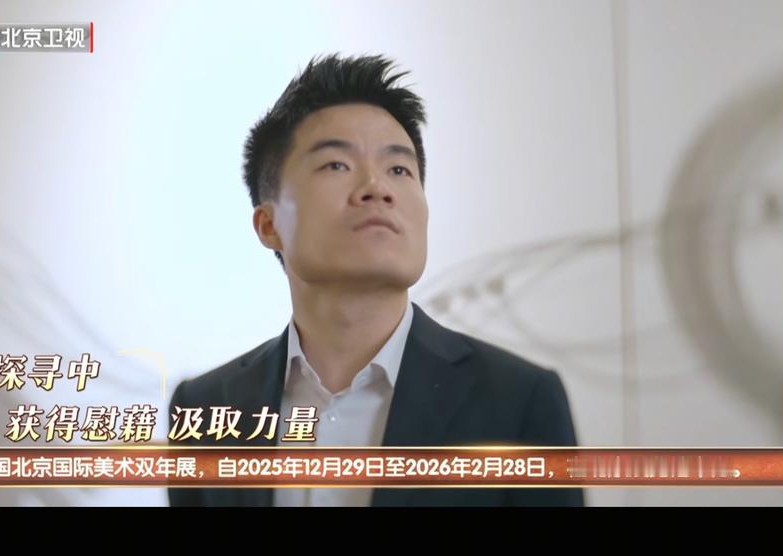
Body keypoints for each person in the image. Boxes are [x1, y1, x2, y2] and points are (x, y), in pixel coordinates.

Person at [168, 53, 583, 507]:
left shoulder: (517, 400)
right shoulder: (205, 408)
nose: (377, 187)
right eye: (336, 165)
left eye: (399, 170)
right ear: (269, 225)